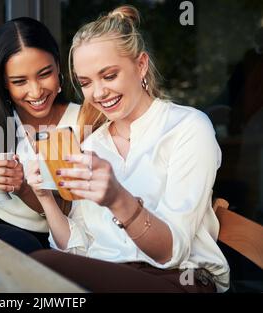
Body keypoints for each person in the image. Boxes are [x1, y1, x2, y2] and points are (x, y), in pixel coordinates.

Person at [27, 5, 230, 292]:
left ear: (141, 65)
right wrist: (45, 197)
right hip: (110, 275)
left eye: (109, 76)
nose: (98, 93)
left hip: (177, 280)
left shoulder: (188, 128)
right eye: (86, 83)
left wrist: (117, 198)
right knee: (37, 267)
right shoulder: (92, 144)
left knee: (40, 265)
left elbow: (171, 252)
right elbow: (78, 247)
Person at [0, 17, 80, 254]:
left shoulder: (81, 119)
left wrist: (22, 187)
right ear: (4, 83)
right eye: (19, 81)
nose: (35, 91)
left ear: (58, 66)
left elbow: (72, 211)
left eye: (44, 74)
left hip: (57, 239)